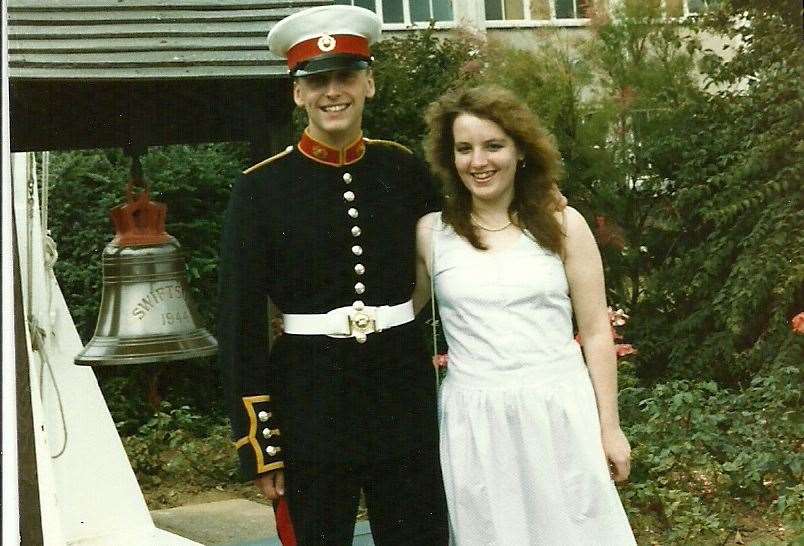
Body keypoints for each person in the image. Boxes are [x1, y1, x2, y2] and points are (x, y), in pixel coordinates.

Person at [217, 5, 448, 545]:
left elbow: (464, 244)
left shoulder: (404, 170)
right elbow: (239, 325)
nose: (332, 92)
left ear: (369, 83)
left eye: (345, 76)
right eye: (316, 81)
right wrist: (261, 445)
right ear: (297, 94)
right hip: (308, 401)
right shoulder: (260, 189)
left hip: (402, 391)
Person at [413, 85, 637, 545]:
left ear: (520, 152)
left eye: (494, 145)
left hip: (559, 413)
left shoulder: (564, 226)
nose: (479, 161)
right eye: (464, 148)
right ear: (449, 157)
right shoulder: (431, 234)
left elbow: (595, 331)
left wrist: (610, 428)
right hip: (475, 423)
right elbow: (396, 313)